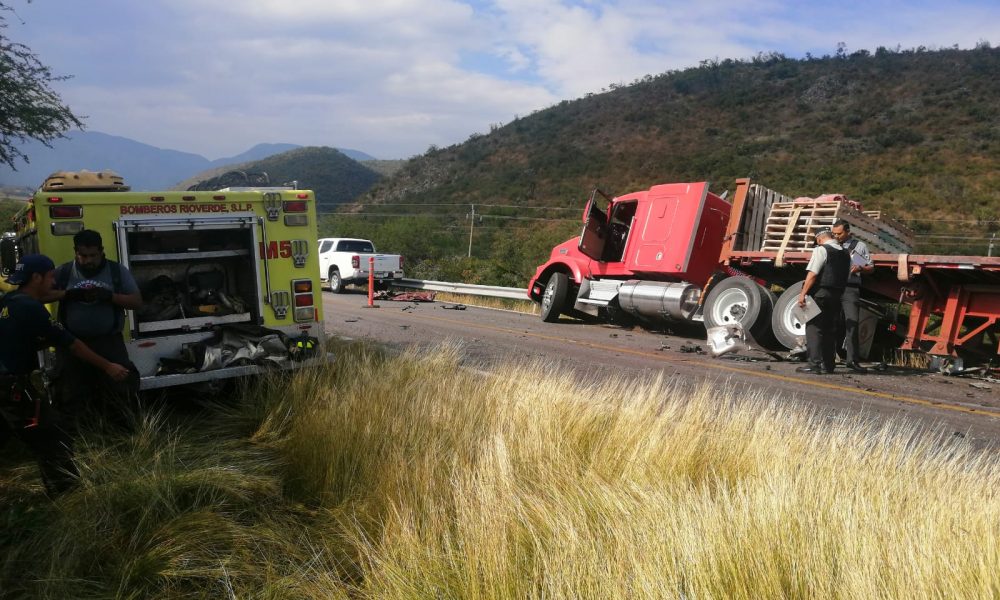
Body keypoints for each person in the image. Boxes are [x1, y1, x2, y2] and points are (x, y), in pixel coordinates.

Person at [0, 254, 130, 497]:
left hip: (5, 386)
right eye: (50, 277)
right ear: (36, 277)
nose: (53, 282)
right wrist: (108, 366)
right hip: (12, 387)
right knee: (53, 439)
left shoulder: (9, 301)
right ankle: (69, 498)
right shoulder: (31, 308)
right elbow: (72, 344)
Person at [50, 230, 143, 426]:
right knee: (70, 393)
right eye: (83, 256)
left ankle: (122, 435)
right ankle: (76, 439)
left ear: (102, 251)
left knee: (121, 389)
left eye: (93, 255)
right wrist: (68, 294)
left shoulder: (117, 271)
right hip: (72, 343)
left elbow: (136, 302)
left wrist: (109, 296)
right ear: (76, 252)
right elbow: (41, 296)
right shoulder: (64, 272)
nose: (88, 260)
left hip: (109, 342)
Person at [796, 228, 851, 374]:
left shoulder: (821, 250)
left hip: (820, 294)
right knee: (830, 330)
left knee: (813, 327)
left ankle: (814, 364)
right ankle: (828, 365)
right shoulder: (846, 253)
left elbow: (813, 274)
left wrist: (803, 293)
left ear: (819, 239)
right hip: (837, 295)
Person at [831, 219, 874, 373]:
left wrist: (861, 267)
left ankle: (852, 361)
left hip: (850, 289)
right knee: (832, 323)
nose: (836, 236)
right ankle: (829, 358)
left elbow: (871, 267)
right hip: (833, 288)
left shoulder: (858, 246)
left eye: (839, 233)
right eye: (834, 233)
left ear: (848, 232)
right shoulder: (831, 244)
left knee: (852, 324)